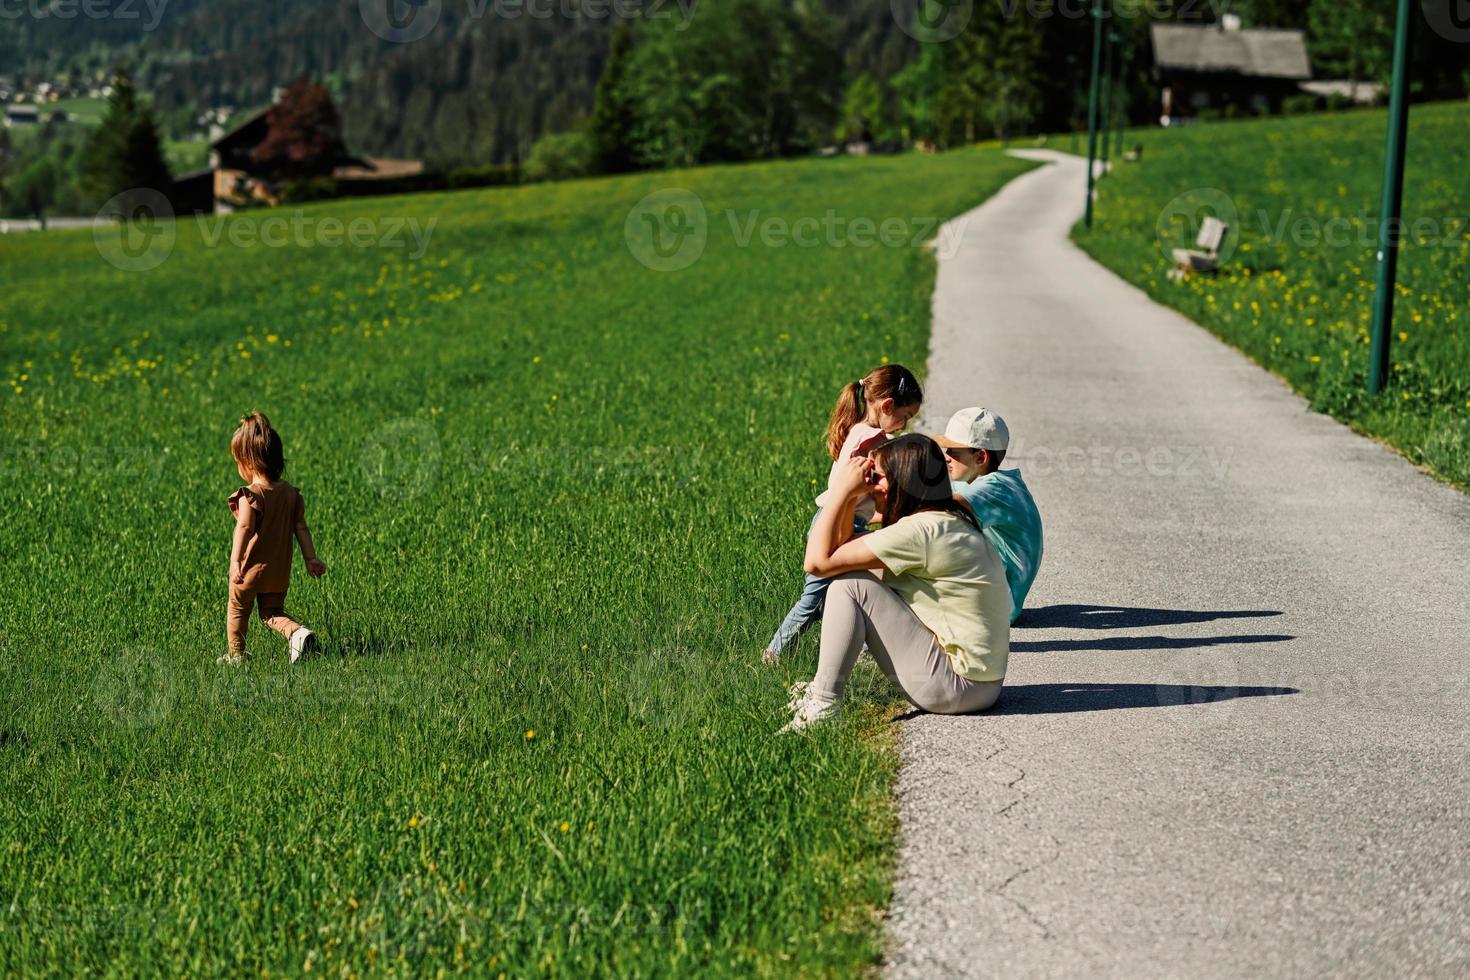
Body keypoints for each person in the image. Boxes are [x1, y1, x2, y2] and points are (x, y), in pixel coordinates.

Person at [781, 434, 1011, 733]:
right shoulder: (945, 520)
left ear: (903, 480)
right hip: (980, 685)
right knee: (856, 574)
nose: (872, 484)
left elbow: (817, 564)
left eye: (878, 477)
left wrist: (841, 492)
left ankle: (824, 705)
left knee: (848, 586)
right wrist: (853, 498)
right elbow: (843, 548)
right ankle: (819, 691)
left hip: (956, 688)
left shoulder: (922, 532)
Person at [761, 364, 922, 665]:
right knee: (818, 599)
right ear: (887, 405)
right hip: (836, 525)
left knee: (862, 586)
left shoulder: (859, 430)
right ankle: (774, 655)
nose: (903, 425)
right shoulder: (873, 441)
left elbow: (859, 499)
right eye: (904, 417)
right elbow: (844, 489)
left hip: (839, 521)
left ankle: (865, 650)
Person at [221, 412, 326, 666]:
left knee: (238, 608)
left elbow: (244, 528)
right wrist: (310, 558)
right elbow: (301, 527)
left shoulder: (251, 495)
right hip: (279, 571)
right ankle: (297, 634)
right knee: (271, 612)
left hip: (250, 570)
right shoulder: (291, 494)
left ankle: (236, 656)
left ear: (247, 461)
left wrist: (235, 562)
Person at [933, 407, 1043, 624]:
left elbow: (943, 506)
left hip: (999, 604)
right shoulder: (972, 481)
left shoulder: (998, 488)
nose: (946, 457)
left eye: (953, 452)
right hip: (993, 593)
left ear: (980, 456)